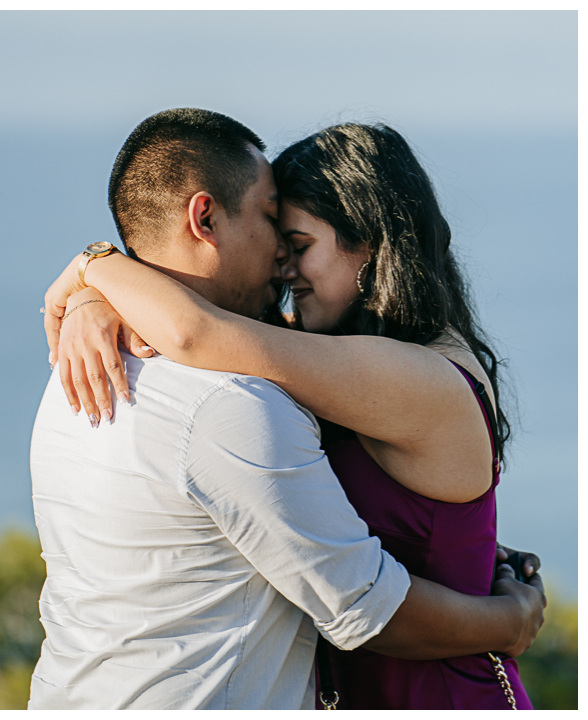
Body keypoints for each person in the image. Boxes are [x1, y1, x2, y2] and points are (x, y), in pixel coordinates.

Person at [30, 109, 544, 710]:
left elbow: (200, 331)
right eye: (278, 234)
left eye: (298, 244)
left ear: (372, 244)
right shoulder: (328, 354)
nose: (282, 264)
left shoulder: (421, 377)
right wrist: (100, 300)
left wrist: (98, 266)